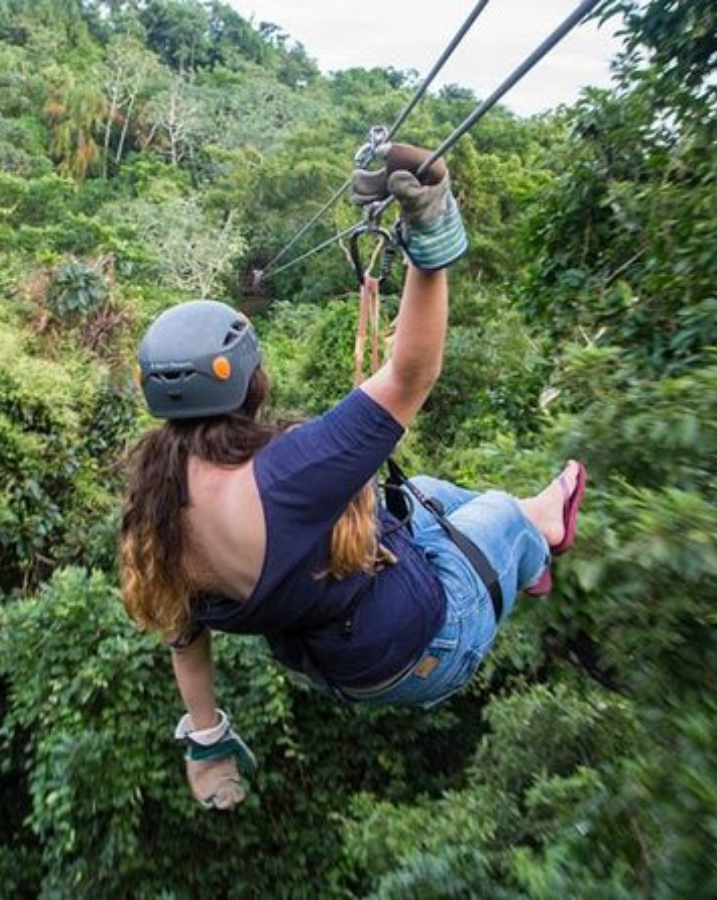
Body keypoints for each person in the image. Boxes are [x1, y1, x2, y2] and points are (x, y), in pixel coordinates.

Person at [119, 144, 587, 811]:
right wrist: (430, 236)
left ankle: (522, 551)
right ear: (255, 382)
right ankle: (533, 533)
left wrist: (207, 740)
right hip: (435, 643)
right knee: (506, 516)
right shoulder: (292, 471)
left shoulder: (155, 507)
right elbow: (410, 373)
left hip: (343, 665)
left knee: (422, 494)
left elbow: (183, 633)